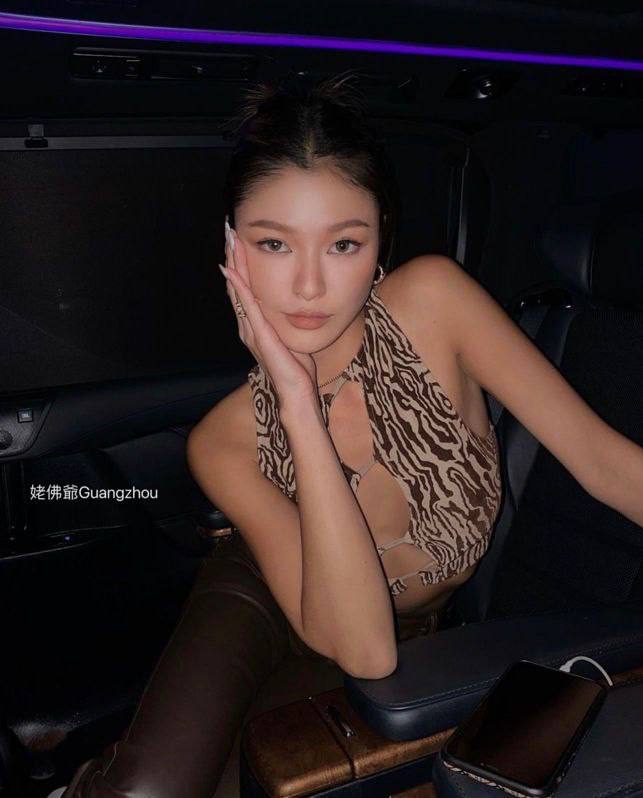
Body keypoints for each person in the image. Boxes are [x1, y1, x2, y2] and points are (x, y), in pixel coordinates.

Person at [52, 69, 501, 798]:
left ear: (380, 242)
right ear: (234, 251)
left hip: (376, 627)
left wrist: (298, 393)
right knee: (147, 791)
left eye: (343, 244)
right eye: (274, 244)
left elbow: (367, 650)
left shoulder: (435, 302)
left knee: (258, 786)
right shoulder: (222, 438)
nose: (309, 286)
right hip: (263, 585)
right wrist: (294, 397)